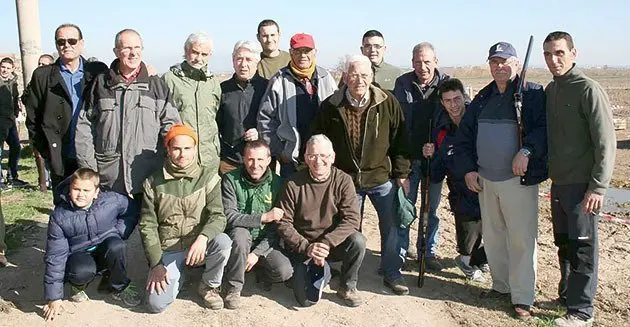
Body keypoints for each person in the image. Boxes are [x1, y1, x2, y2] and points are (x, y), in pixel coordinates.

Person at [455, 41, 548, 320]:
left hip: (517, 181)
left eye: (505, 61)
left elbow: (543, 130)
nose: (499, 66)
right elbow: (465, 137)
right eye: (494, 62)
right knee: (494, 238)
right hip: (486, 180)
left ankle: (522, 298)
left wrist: (526, 150)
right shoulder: (483, 97)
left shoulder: (531, 94)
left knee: (521, 240)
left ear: (517, 64)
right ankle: (501, 285)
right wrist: (469, 170)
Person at [312, 54, 411, 295]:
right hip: (346, 181)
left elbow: (401, 140)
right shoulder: (331, 105)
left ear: (372, 76)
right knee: (350, 230)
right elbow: (319, 139)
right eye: (354, 74)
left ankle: (391, 272)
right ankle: (349, 278)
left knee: (391, 225)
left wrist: (402, 173)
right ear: (345, 76)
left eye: (365, 75)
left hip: (380, 178)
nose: (359, 79)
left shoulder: (387, 102)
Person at [543, 31, 616, 327]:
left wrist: (598, 187)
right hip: (558, 185)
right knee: (564, 244)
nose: (554, 60)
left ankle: (582, 311)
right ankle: (567, 297)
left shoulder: (588, 89)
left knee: (583, 248)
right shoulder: (551, 90)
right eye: (548, 54)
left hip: (583, 187)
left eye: (559, 53)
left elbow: (606, 142)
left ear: (574, 53)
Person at [76, 28, 180, 200]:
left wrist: (170, 167)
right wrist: (90, 170)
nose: (133, 53)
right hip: (109, 180)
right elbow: (84, 128)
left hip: (147, 178)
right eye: (127, 48)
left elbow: (171, 128)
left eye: (137, 48)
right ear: (116, 51)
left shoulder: (156, 86)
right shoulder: (101, 85)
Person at [139, 124, 231, 313]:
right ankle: (181, 274)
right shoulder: (152, 182)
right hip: (169, 250)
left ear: (195, 149)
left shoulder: (209, 177)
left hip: (198, 246)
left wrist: (203, 238)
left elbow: (218, 216)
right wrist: (156, 263)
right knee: (156, 305)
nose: (183, 154)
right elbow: (147, 225)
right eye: (177, 148)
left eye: (188, 148)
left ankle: (208, 286)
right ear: (168, 149)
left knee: (223, 242)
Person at [276, 134, 366, 307]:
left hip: (331, 244)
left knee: (358, 241)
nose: (318, 161)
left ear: (332, 157)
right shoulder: (293, 183)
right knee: (305, 301)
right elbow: (283, 222)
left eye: (323, 156)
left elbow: (352, 219)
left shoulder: (343, 181)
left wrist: (326, 243)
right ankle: (318, 272)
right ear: (305, 158)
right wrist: (306, 246)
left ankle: (347, 286)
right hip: (303, 246)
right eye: (312, 155)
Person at [42, 168, 141, 322]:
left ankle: (118, 285)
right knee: (82, 271)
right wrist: (54, 297)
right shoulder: (59, 217)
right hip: (78, 253)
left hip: (105, 246)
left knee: (117, 246)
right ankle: (77, 286)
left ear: (96, 192)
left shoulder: (111, 200)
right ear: (70, 189)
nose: (81, 194)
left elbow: (132, 209)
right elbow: (55, 256)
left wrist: (119, 231)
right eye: (76, 189)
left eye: (86, 190)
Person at [24, 24, 108, 193]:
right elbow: (33, 118)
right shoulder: (43, 76)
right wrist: (46, 151)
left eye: (72, 40)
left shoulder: (98, 72)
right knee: (64, 207)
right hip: (61, 155)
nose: (66, 45)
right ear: (56, 45)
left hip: (93, 153)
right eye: (61, 41)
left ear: (81, 43)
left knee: (95, 209)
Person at [393, 42, 451, 268]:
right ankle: (400, 253)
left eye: (427, 61)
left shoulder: (447, 84)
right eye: (418, 62)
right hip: (408, 159)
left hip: (434, 161)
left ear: (436, 61)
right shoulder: (403, 83)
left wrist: (438, 145)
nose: (422, 67)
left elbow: (456, 118)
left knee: (431, 209)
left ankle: (427, 251)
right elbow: (397, 123)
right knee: (405, 207)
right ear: (412, 63)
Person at [423, 78, 488, 282]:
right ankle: (466, 259)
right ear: (442, 102)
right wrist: (430, 155)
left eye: (457, 99)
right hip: (460, 190)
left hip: (486, 181)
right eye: (448, 100)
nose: (454, 105)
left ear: (464, 96)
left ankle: (480, 257)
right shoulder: (441, 128)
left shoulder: (478, 117)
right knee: (468, 228)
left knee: (496, 229)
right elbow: (436, 172)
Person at [221, 140, 292, 309]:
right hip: (238, 239)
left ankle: (260, 270)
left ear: (268, 160)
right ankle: (233, 288)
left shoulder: (279, 183)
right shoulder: (230, 180)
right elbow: (229, 216)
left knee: (284, 271)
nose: (255, 165)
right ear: (244, 159)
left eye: (260, 160)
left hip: (265, 240)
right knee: (240, 234)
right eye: (251, 159)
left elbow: (277, 227)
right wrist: (262, 217)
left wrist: (257, 253)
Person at [258, 33, 337, 177]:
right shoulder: (279, 80)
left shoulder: (326, 77)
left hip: (322, 158)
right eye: (297, 51)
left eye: (307, 51)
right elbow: (265, 119)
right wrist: (280, 150)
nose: (303, 55)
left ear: (315, 52)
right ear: (290, 53)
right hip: (292, 160)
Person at [164, 31, 221, 173]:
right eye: (195, 52)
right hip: (181, 159)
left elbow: (215, 116)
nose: (199, 58)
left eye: (204, 54)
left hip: (209, 158)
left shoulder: (213, 82)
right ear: (186, 50)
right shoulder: (170, 80)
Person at [217, 41, 267, 174]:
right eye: (239, 59)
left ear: (257, 62)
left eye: (248, 59)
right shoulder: (222, 89)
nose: (243, 64)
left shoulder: (267, 88)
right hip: (230, 161)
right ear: (233, 61)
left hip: (259, 161)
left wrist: (260, 131)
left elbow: (275, 121)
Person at [0, 57, 26, 189]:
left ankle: (12, 176)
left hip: (10, 120)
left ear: (12, 69)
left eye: (8, 68)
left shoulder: (13, 82)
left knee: (15, 147)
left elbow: (15, 98)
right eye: (3, 67)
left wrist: (17, 112)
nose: (4, 70)